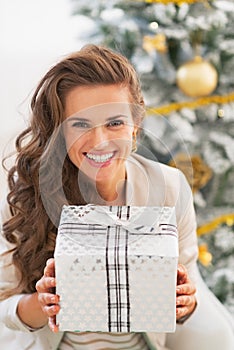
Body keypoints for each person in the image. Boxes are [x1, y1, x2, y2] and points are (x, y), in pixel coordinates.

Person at [0, 44, 233, 350]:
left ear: (136, 125)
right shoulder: (26, 194)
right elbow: (5, 304)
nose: (99, 142)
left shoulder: (169, 188)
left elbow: (186, 292)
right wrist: (41, 303)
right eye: (81, 124)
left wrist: (185, 303)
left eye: (114, 123)